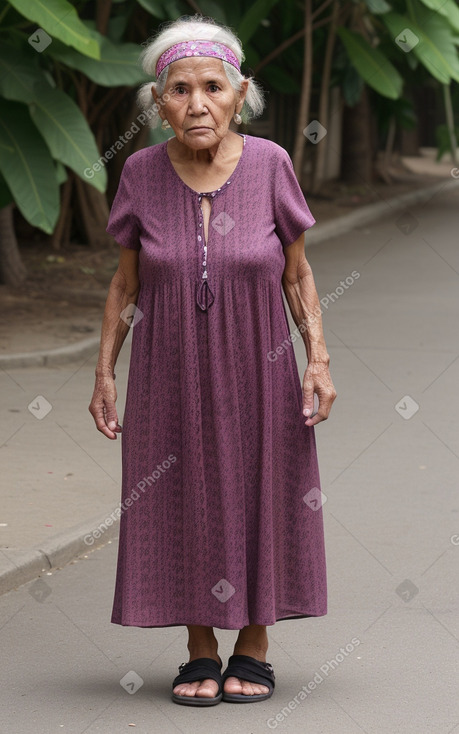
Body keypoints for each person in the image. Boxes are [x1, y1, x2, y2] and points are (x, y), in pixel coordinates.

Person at [89, 14, 336, 707]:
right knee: (179, 493)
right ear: (157, 102)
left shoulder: (270, 165)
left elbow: (296, 275)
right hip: (166, 370)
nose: (196, 104)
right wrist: (105, 371)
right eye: (178, 90)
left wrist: (316, 359)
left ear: (239, 95)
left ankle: (253, 647)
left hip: (258, 365)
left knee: (263, 485)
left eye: (211, 88)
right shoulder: (140, 172)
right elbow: (125, 284)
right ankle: (199, 647)